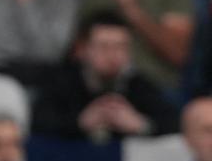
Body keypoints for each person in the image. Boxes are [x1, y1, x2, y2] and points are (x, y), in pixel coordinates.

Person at [31, 12, 179, 142]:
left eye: (120, 47)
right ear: (84, 49)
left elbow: (174, 122)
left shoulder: (138, 85)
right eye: (104, 46)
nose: (113, 55)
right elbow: (39, 121)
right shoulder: (62, 81)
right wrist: (79, 123)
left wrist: (141, 125)